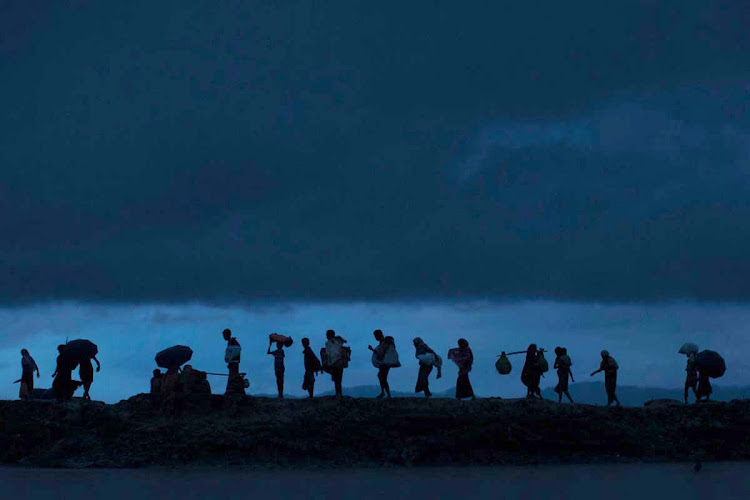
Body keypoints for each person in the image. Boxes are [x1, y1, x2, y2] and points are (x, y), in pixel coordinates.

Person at [369, 329, 392, 399]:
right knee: (381, 376)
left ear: (379, 335)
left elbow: (381, 353)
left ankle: (387, 394)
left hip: (385, 363)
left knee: (382, 377)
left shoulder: (384, 342)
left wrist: (372, 350)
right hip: (384, 362)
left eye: (375, 336)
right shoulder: (382, 342)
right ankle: (384, 393)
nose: (375, 338)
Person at [324, 330, 348, 398]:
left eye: (327, 335)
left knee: (336, 379)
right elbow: (343, 341)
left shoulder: (328, 343)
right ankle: (339, 393)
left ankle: (338, 393)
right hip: (340, 362)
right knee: (339, 379)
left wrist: (327, 365)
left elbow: (328, 354)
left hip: (334, 363)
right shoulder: (338, 341)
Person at [223, 328, 245, 396]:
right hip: (233, 363)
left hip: (234, 363)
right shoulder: (231, 341)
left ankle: (231, 391)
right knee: (233, 376)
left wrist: (231, 360)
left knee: (233, 376)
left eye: (224, 335)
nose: (223, 337)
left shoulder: (232, 341)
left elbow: (236, 350)